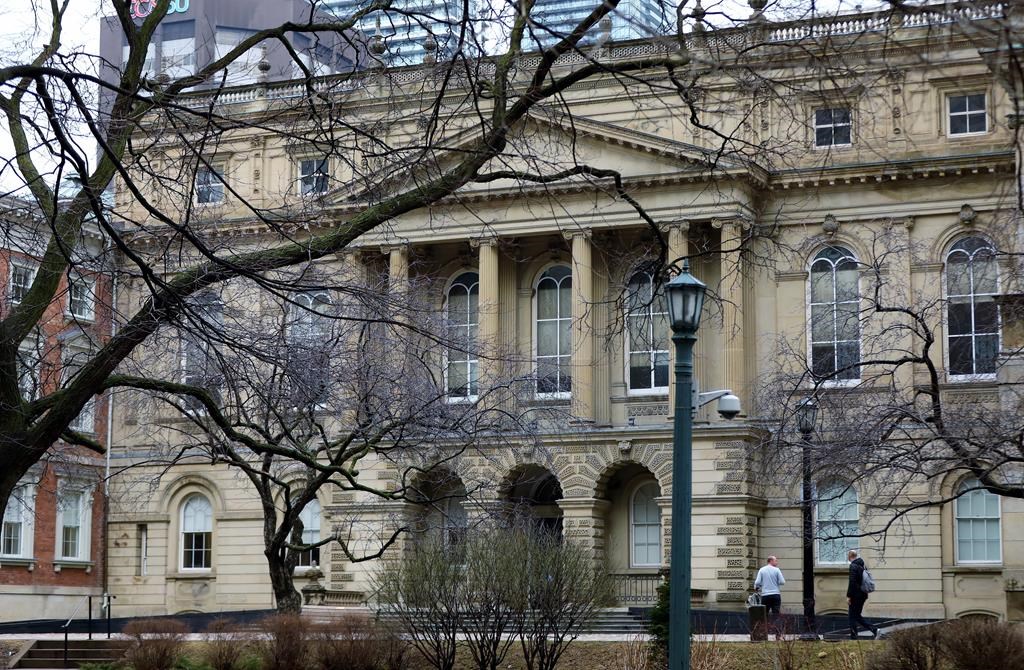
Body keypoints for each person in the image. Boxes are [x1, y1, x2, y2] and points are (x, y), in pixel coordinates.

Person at [847, 549, 879, 639]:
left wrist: (849, 596)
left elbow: (852, 582)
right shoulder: (862, 565)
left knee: (852, 616)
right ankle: (874, 630)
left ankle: (854, 636)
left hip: (856, 596)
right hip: (863, 595)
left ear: (850, 556)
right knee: (856, 615)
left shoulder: (853, 566)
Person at [754, 555, 786, 621]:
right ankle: (776, 629)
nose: (777, 562)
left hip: (765, 595)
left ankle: (765, 629)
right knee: (776, 614)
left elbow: (757, 582)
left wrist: (760, 586)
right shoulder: (777, 570)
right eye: (775, 560)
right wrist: (776, 582)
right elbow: (782, 582)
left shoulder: (762, 570)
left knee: (764, 614)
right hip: (775, 595)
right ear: (770, 561)